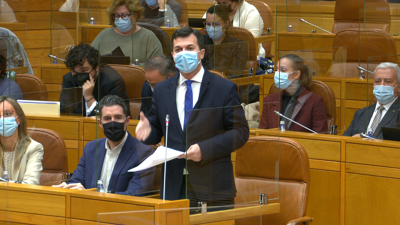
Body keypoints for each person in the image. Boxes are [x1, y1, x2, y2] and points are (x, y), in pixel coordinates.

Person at [135, 27, 249, 208]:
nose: (183, 53)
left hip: (212, 184)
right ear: (172, 55)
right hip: (173, 186)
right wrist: (147, 132)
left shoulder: (224, 88)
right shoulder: (163, 90)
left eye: (189, 48)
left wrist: (204, 149)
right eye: (178, 50)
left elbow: (240, 132)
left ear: (201, 53)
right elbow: (156, 132)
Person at [53, 95, 155, 195]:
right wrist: (68, 188)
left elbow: (134, 195)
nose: (113, 122)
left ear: (127, 121)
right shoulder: (91, 148)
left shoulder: (144, 153)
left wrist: (90, 195)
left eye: (118, 117)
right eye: (107, 118)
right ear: (100, 123)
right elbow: (75, 182)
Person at [259, 54, 328, 133]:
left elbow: (320, 137)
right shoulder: (269, 100)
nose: (277, 74)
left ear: (296, 74)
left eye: (283, 70)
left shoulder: (315, 101)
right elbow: (262, 134)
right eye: (276, 69)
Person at [59, 44, 130, 117]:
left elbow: (112, 117)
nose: (79, 76)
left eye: (84, 71)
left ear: (96, 67)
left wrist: (89, 97)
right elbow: (64, 111)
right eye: (74, 72)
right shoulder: (69, 79)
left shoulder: (113, 81)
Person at [91, 0, 163, 66]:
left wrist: (131, 67)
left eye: (124, 15)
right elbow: (89, 62)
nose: (120, 19)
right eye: (117, 15)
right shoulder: (103, 35)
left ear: (135, 14)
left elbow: (158, 67)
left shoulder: (149, 37)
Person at [343, 62, 400, 139]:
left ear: (398, 87)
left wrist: (367, 141)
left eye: (388, 81)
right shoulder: (361, 114)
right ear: (373, 85)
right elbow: (343, 141)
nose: (382, 85)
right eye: (377, 81)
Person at [0, 96, 44, 184]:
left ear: (19, 119)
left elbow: (30, 185)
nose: (2, 119)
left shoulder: (33, 148)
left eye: (8, 114)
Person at [202, 5, 247, 76]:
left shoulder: (238, 45)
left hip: (226, 84)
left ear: (226, 24)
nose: (211, 28)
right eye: (208, 24)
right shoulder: (200, 41)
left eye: (216, 24)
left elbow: (236, 75)